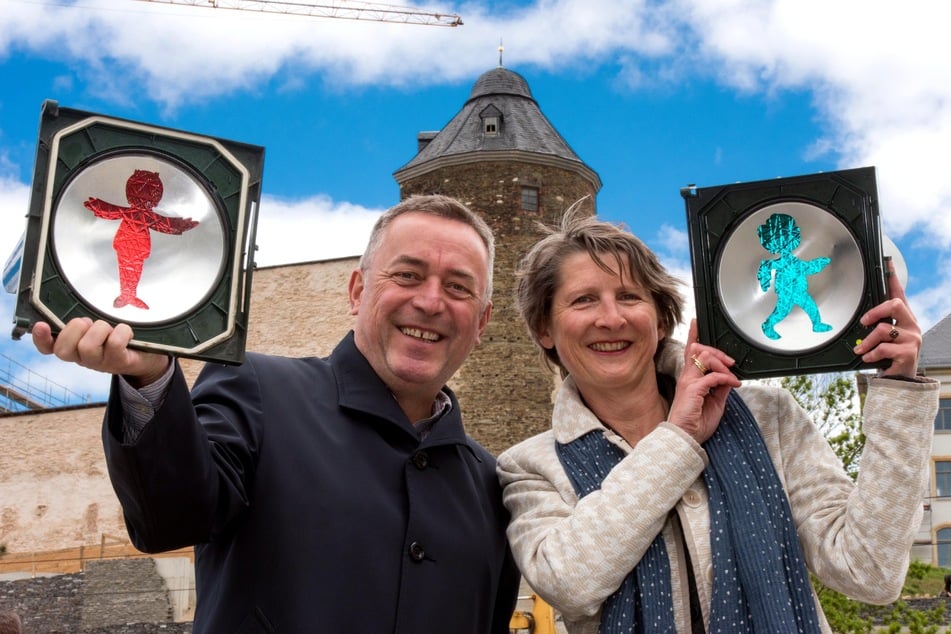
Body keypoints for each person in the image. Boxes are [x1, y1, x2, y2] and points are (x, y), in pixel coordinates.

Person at [32, 194, 520, 633]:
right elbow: (170, 520)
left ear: (481, 322)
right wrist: (150, 377)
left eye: (458, 288)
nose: (430, 301)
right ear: (356, 291)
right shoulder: (259, 389)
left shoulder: (491, 485)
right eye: (408, 275)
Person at [496, 204, 938, 633]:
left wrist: (900, 390)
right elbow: (571, 582)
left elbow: (869, 572)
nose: (611, 319)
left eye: (629, 296)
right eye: (583, 300)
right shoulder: (529, 466)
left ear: (660, 317)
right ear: (544, 328)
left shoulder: (768, 417)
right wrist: (678, 436)